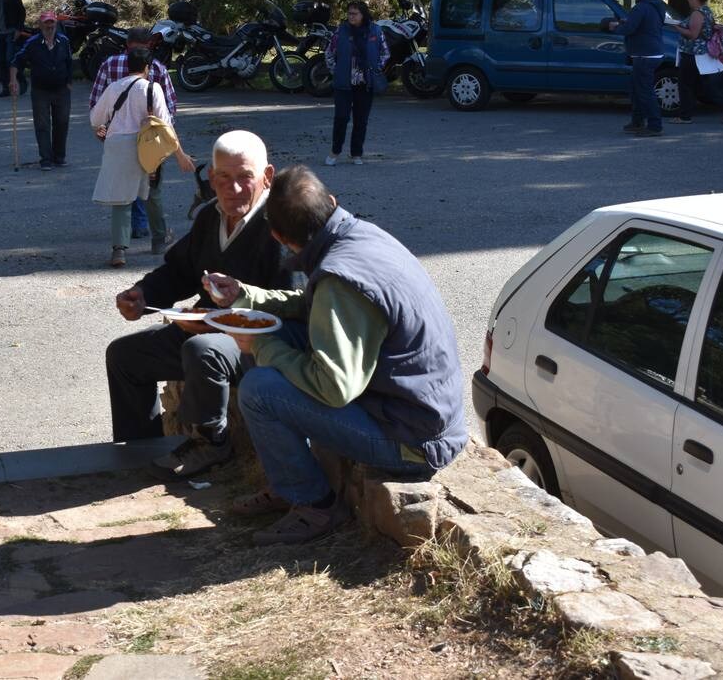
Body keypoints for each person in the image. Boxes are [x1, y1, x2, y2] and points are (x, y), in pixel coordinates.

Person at [205, 165, 468, 545]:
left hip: (413, 441)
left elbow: (334, 388)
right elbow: (317, 304)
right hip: (410, 411)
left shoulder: (340, 279)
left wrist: (261, 346)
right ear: (332, 203)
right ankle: (289, 478)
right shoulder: (360, 236)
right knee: (272, 336)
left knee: (260, 387)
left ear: (278, 236)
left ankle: (315, 504)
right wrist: (246, 296)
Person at [105, 130, 290, 479]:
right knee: (124, 356)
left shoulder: (280, 223)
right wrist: (143, 295)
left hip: (260, 343)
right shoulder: (210, 217)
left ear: (267, 176)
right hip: (206, 326)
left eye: (244, 178)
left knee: (204, 348)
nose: (232, 189)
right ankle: (139, 450)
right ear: (210, 177)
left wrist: (218, 320)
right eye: (223, 178)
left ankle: (211, 442)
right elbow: (179, 271)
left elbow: (289, 306)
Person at [91, 47, 195, 268]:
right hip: (146, 146)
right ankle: (159, 240)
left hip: (117, 145)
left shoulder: (113, 88)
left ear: (127, 65)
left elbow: (95, 119)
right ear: (147, 68)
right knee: (151, 193)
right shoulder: (152, 88)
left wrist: (103, 128)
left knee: (122, 198)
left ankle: (119, 250)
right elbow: (165, 125)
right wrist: (180, 155)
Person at [323, 1, 388, 167]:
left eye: (355, 14)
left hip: (365, 83)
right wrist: (336, 71)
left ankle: (356, 153)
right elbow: (330, 53)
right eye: (349, 13)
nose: (351, 16)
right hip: (344, 83)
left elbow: (385, 52)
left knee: (361, 120)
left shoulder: (375, 30)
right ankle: (335, 151)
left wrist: (376, 68)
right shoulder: (341, 31)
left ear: (363, 15)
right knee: (341, 118)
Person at [11, 11, 74, 170]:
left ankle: (59, 157)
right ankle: (45, 159)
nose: (49, 26)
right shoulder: (32, 43)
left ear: (56, 24)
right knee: (42, 125)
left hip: (61, 90)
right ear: (40, 25)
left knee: (62, 123)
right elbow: (16, 62)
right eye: (46, 23)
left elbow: (69, 62)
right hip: (41, 91)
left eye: (52, 22)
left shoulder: (63, 41)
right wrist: (13, 81)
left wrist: (69, 82)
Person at [603, 0, 667, 137]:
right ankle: (637, 121)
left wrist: (614, 28)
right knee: (636, 89)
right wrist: (627, 21)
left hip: (644, 55)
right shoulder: (656, 5)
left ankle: (654, 125)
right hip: (652, 52)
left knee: (644, 91)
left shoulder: (641, 7)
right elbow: (642, 24)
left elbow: (630, 28)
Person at [670, 0, 723, 124]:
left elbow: (693, 35)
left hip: (693, 53)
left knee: (685, 84)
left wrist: (677, 28)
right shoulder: (707, 11)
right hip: (703, 54)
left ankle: (685, 116)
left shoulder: (697, 14)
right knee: (704, 85)